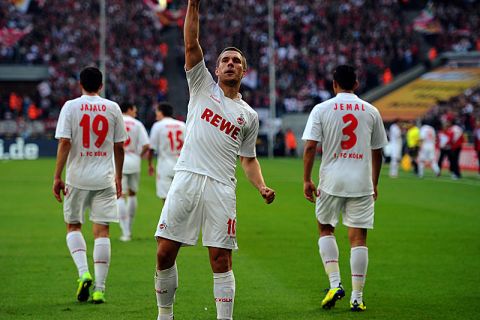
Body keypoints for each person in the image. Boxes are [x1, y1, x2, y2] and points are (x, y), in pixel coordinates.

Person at [153, 1, 276, 319]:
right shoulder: (201, 86)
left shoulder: (248, 115)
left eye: (237, 61)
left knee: (221, 259)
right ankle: (165, 315)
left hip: (222, 187)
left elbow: (248, 159)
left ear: (244, 71)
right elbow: (191, 42)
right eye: (225, 60)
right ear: (217, 69)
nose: (231, 64)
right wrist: (193, 4)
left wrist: (261, 186)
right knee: (165, 252)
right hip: (187, 177)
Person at [302, 65, 388, 312]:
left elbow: (310, 147)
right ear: (357, 84)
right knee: (358, 238)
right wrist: (375, 182)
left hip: (331, 180)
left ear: (334, 84)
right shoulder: (371, 111)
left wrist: (307, 179)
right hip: (361, 182)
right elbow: (378, 151)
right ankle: (357, 297)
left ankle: (334, 283)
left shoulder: (322, 109)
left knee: (325, 228)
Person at [52, 66, 127, 304]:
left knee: (73, 226)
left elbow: (65, 142)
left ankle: (83, 272)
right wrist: (119, 176)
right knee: (102, 231)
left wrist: (57, 176)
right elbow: (119, 146)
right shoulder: (112, 107)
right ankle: (100, 289)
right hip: (104, 178)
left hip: (77, 178)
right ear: (101, 85)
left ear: (80, 84)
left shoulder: (70, 106)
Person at [118, 102, 150, 241]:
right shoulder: (137, 124)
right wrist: (138, 154)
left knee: (120, 195)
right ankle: (129, 228)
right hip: (134, 160)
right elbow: (146, 145)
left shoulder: (116, 121)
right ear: (129, 109)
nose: (135, 112)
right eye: (135, 110)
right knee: (132, 194)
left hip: (119, 161)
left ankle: (125, 232)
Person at [148, 102, 186, 202]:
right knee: (181, 199)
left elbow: (152, 148)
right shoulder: (182, 125)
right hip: (182, 166)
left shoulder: (158, 125)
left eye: (157, 111)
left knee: (166, 199)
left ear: (161, 112)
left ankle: (169, 218)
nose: (156, 114)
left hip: (165, 166)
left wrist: (150, 164)